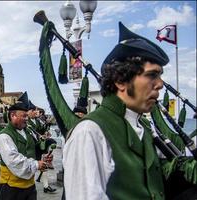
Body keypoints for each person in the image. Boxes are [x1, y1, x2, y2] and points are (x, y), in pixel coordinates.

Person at [63, 22, 172, 200]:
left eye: (160, 76)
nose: (160, 84)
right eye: (152, 75)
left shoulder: (143, 127)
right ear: (121, 81)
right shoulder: (90, 132)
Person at [0, 94, 52, 200]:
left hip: (29, 186)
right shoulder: (4, 136)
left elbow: (34, 150)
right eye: (23, 116)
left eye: (27, 116)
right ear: (12, 116)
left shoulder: (28, 131)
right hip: (11, 188)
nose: (26, 119)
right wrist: (36, 164)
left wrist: (44, 157)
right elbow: (14, 161)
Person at [26, 102, 56, 193]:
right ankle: (28, 186)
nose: (35, 112)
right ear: (27, 112)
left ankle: (46, 186)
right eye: (33, 110)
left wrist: (46, 133)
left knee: (43, 165)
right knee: (31, 167)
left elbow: (43, 130)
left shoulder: (38, 120)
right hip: (31, 147)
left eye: (35, 110)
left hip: (38, 146)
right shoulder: (26, 122)